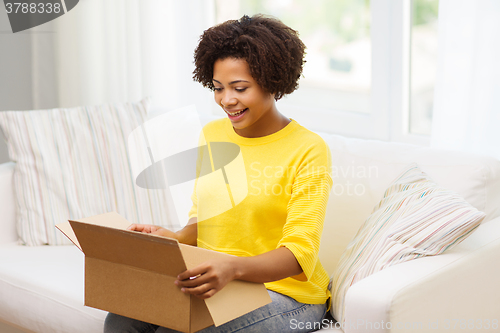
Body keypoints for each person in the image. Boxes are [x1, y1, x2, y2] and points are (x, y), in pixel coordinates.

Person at [104, 14, 333, 333]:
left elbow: (298, 254)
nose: (227, 100)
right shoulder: (213, 134)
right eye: (218, 88)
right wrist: (172, 239)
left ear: (274, 80)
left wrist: (232, 268)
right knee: (122, 317)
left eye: (240, 88)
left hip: (289, 296)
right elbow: (204, 217)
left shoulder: (308, 148)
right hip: (222, 282)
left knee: (187, 328)